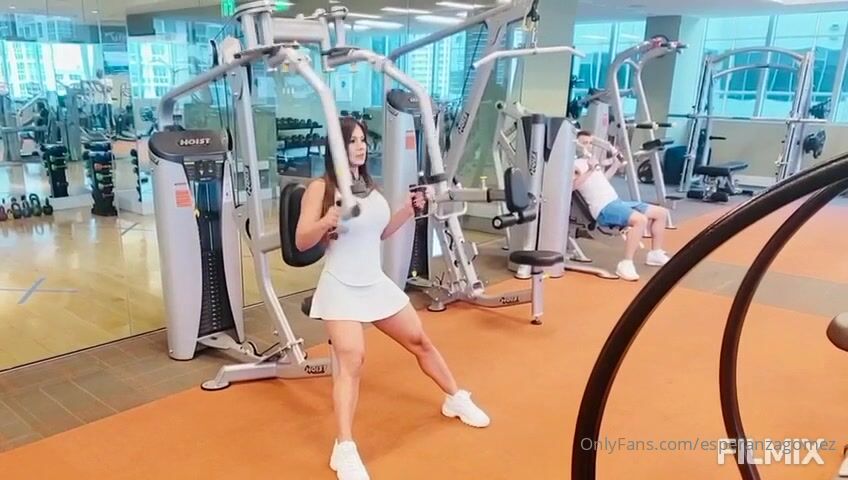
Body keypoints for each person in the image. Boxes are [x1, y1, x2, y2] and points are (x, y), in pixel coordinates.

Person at [295, 116, 490, 480]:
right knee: (352, 360)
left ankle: (455, 397)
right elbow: (301, 240)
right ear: (336, 147)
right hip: (340, 284)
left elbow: (380, 232)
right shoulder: (320, 189)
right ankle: (344, 447)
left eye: (362, 140)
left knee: (420, 341)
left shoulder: (370, 187)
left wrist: (408, 209)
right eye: (352, 141)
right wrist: (325, 221)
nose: (360, 146)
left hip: (373, 281)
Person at [573, 130, 671, 281]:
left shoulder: (590, 161)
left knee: (661, 213)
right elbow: (571, 187)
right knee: (640, 220)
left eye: (590, 143)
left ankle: (655, 254)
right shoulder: (575, 164)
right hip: (604, 208)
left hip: (617, 202)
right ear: (576, 144)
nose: (588, 146)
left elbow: (602, 180)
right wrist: (591, 169)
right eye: (584, 143)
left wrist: (615, 165)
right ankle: (626, 263)